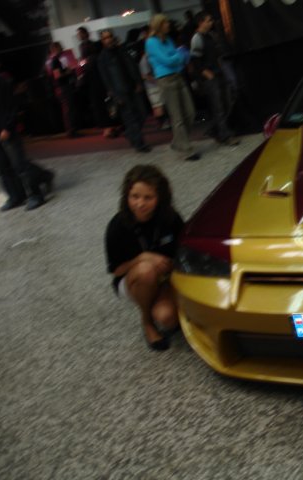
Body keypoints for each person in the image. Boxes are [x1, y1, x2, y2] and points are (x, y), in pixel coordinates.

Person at [105, 165, 184, 351]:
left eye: (148, 197)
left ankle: (162, 305)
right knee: (146, 270)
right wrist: (143, 257)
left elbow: (184, 251)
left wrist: (170, 266)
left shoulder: (171, 218)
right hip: (132, 278)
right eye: (134, 196)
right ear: (126, 196)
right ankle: (147, 322)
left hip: (166, 276)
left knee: (168, 318)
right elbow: (116, 270)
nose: (140, 204)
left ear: (160, 197)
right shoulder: (117, 226)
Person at [0, 66, 54, 211]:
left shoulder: (1, 81)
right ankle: (16, 196)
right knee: (3, 167)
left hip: (5, 129)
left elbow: (12, 105)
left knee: (19, 164)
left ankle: (36, 194)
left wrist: (8, 126)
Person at [145, 14, 200, 161]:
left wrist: (176, 57)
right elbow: (168, 60)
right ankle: (187, 150)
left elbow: (175, 59)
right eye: (166, 23)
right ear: (159, 25)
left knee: (190, 112)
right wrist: (179, 55)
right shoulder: (151, 42)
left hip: (178, 76)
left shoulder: (168, 39)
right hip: (166, 80)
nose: (168, 25)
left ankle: (177, 142)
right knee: (177, 117)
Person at [190, 12, 239, 146]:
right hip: (211, 76)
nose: (211, 22)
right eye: (208, 20)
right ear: (201, 22)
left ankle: (217, 131)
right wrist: (206, 73)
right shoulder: (197, 38)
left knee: (226, 103)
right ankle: (225, 135)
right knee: (219, 107)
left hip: (219, 73)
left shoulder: (210, 35)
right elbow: (195, 60)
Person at [98, 29, 150, 153]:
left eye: (110, 36)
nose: (108, 39)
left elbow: (132, 66)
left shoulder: (122, 50)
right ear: (102, 41)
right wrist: (115, 96)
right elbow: (106, 79)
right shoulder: (102, 58)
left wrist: (138, 82)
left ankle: (131, 133)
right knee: (130, 117)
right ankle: (139, 143)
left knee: (142, 113)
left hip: (133, 87)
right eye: (105, 38)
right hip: (120, 91)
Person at [47, 42, 80, 137]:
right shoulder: (55, 61)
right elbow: (57, 76)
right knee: (68, 109)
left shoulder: (55, 60)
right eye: (60, 47)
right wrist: (68, 72)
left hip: (61, 87)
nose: (62, 49)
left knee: (68, 108)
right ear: (55, 49)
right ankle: (71, 131)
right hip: (63, 87)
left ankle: (71, 130)